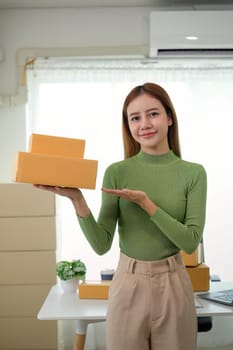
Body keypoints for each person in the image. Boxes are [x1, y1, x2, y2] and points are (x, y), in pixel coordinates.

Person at [35, 82, 207, 350]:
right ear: (128, 125)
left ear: (170, 117)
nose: (144, 124)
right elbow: (101, 244)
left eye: (153, 114)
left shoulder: (193, 173)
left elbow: (190, 241)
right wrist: (77, 199)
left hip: (174, 284)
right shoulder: (117, 172)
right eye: (135, 118)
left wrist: (147, 204)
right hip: (128, 283)